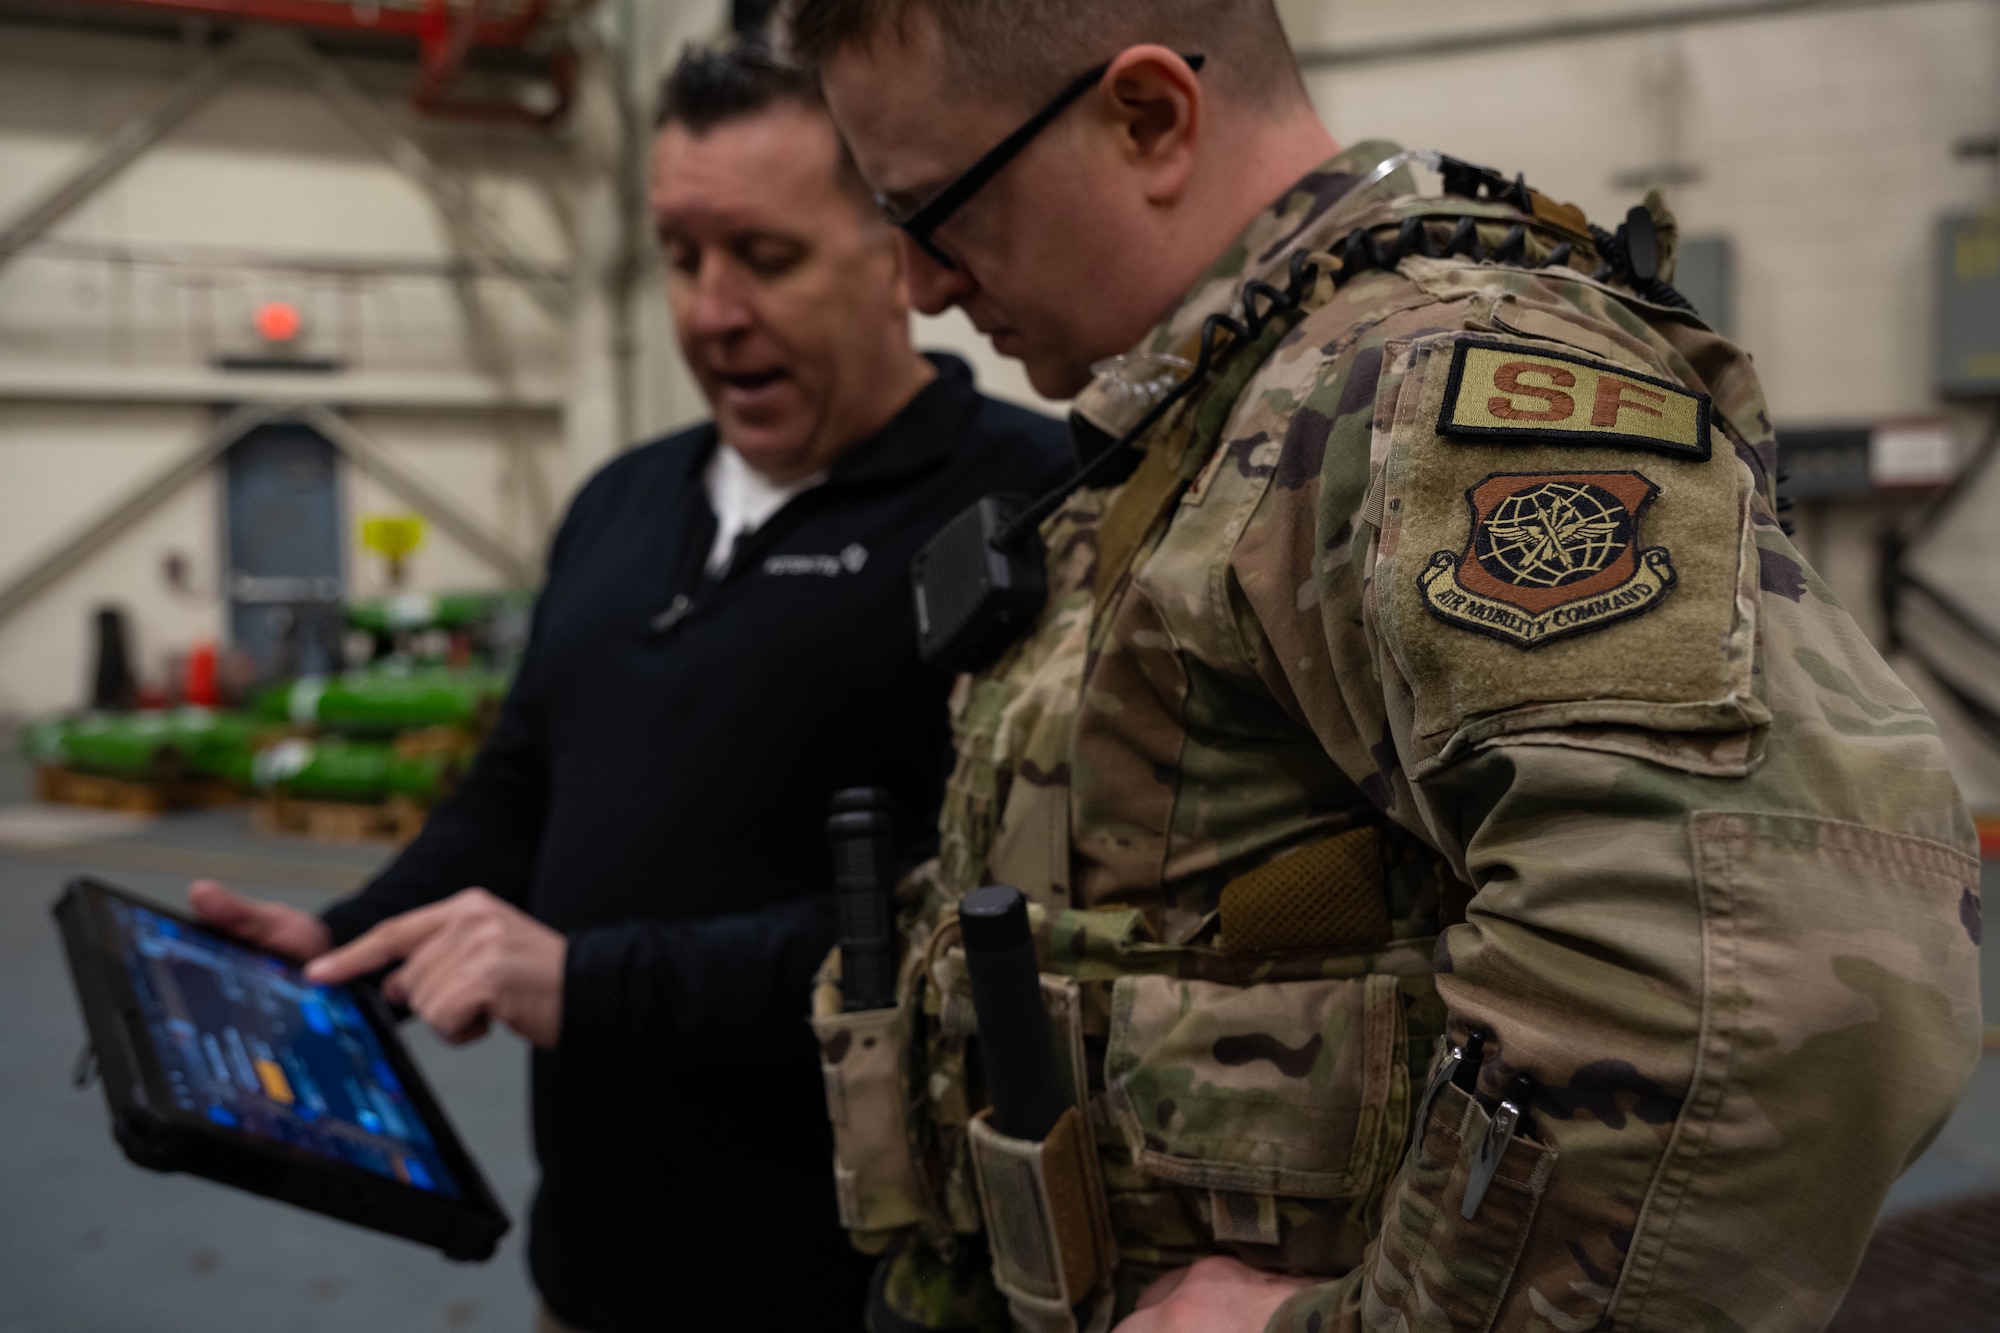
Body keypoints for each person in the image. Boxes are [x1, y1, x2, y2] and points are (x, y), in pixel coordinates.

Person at [783, 2, 1986, 1331]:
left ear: (1148, 119)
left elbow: (1771, 962)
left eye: (935, 211)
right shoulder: (1231, 407)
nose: (920, 284)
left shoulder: (1415, 384)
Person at [189, 42, 1070, 1333]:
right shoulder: (622, 500)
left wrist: (592, 981)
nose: (711, 309)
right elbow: (521, 782)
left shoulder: (1028, 507)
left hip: (856, 1287)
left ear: (892, 252)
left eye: (764, 257)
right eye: (679, 253)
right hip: (595, 1270)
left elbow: (999, 935)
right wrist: (353, 935)